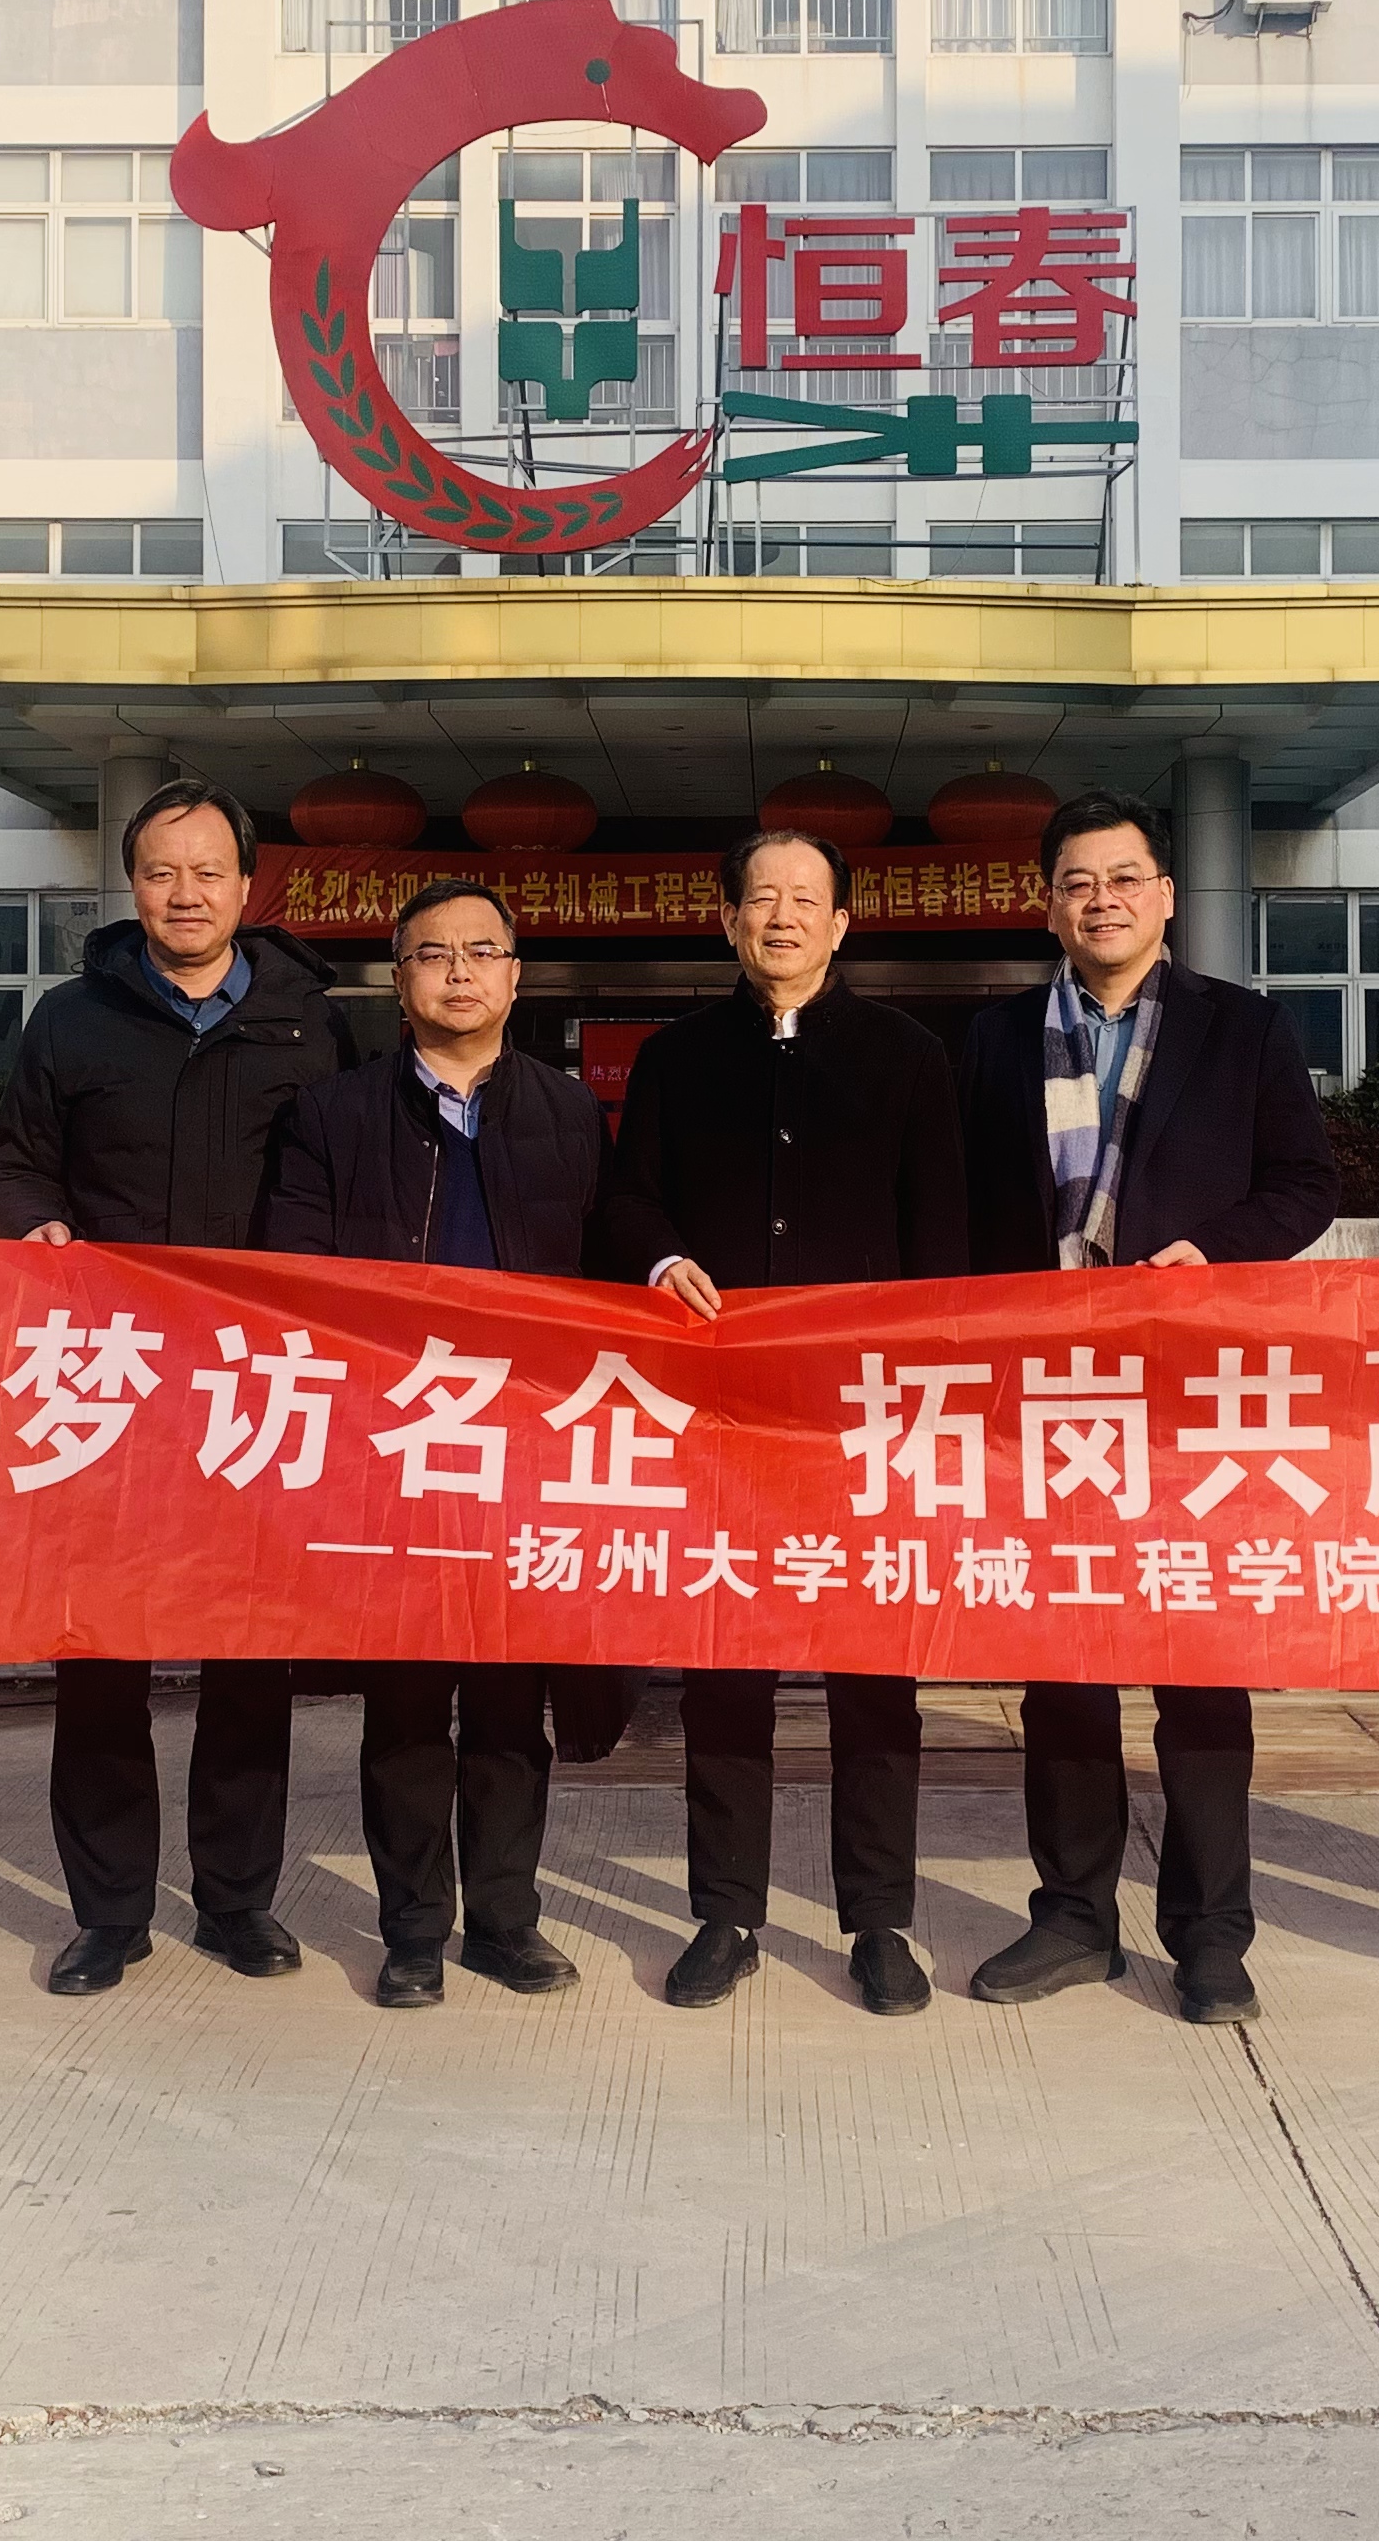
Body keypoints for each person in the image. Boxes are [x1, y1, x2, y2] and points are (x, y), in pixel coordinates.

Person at [955, 789, 1337, 2028]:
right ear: (1048, 905)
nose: (1102, 900)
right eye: (1078, 882)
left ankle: (1212, 1937)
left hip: (1192, 1401)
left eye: (1124, 878)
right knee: (1062, 1667)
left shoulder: (1246, 1028)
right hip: (1043, 1398)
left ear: (1166, 895)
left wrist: (1209, 1255)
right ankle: (1074, 1917)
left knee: (1200, 1672)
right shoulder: (994, 1039)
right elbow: (955, 1207)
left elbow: (1305, 1186)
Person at [0, 776, 360, 1997]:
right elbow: (17, 1165)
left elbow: (349, 1185)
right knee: (102, 1656)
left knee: (251, 1659)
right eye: (160, 872)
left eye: (207, 872)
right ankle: (109, 1915)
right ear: (132, 885)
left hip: (256, 1386)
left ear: (248, 886)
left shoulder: (312, 1023)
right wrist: (32, 1225)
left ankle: (238, 1903)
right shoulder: (71, 1020)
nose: (184, 893)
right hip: (113, 1383)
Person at [592, 827, 967, 2016]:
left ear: (842, 924)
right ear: (729, 920)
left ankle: (881, 1922)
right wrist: (662, 1258)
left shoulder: (909, 1056)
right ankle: (727, 1914)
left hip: (865, 1418)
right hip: (722, 1416)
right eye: (762, 898)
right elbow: (627, 1200)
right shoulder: (676, 1057)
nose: (784, 917)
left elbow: (941, 1238)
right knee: (724, 1671)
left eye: (807, 899)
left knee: (875, 1677)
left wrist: (926, 1390)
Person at [259, 878, 621, 2009]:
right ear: (397, 978)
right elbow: (294, 1276)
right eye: (432, 954)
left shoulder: (570, 1114)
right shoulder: (335, 1113)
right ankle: (412, 1929)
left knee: (512, 1707)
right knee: (408, 1704)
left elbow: (610, 1272)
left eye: (481, 952)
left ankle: (507, 1921)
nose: (458, 972)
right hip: (401, 1446)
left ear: (516, 975)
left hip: (527, 1454)